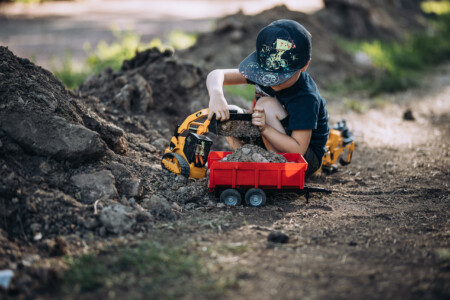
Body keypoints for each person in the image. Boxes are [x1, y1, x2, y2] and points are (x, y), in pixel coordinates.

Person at [206, 19, 329, 178]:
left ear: (304, 65)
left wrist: (265, 128)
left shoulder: (306, 97)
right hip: (269, 138)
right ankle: (247, 158)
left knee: (266, 105)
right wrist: (216, 94)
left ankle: (272, 169)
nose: (272, 81)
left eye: (281, 77)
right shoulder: (262, 74)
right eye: (266, 75)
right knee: (230, 114)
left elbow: (298, 149)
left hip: (302, 159)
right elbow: (217, 74)